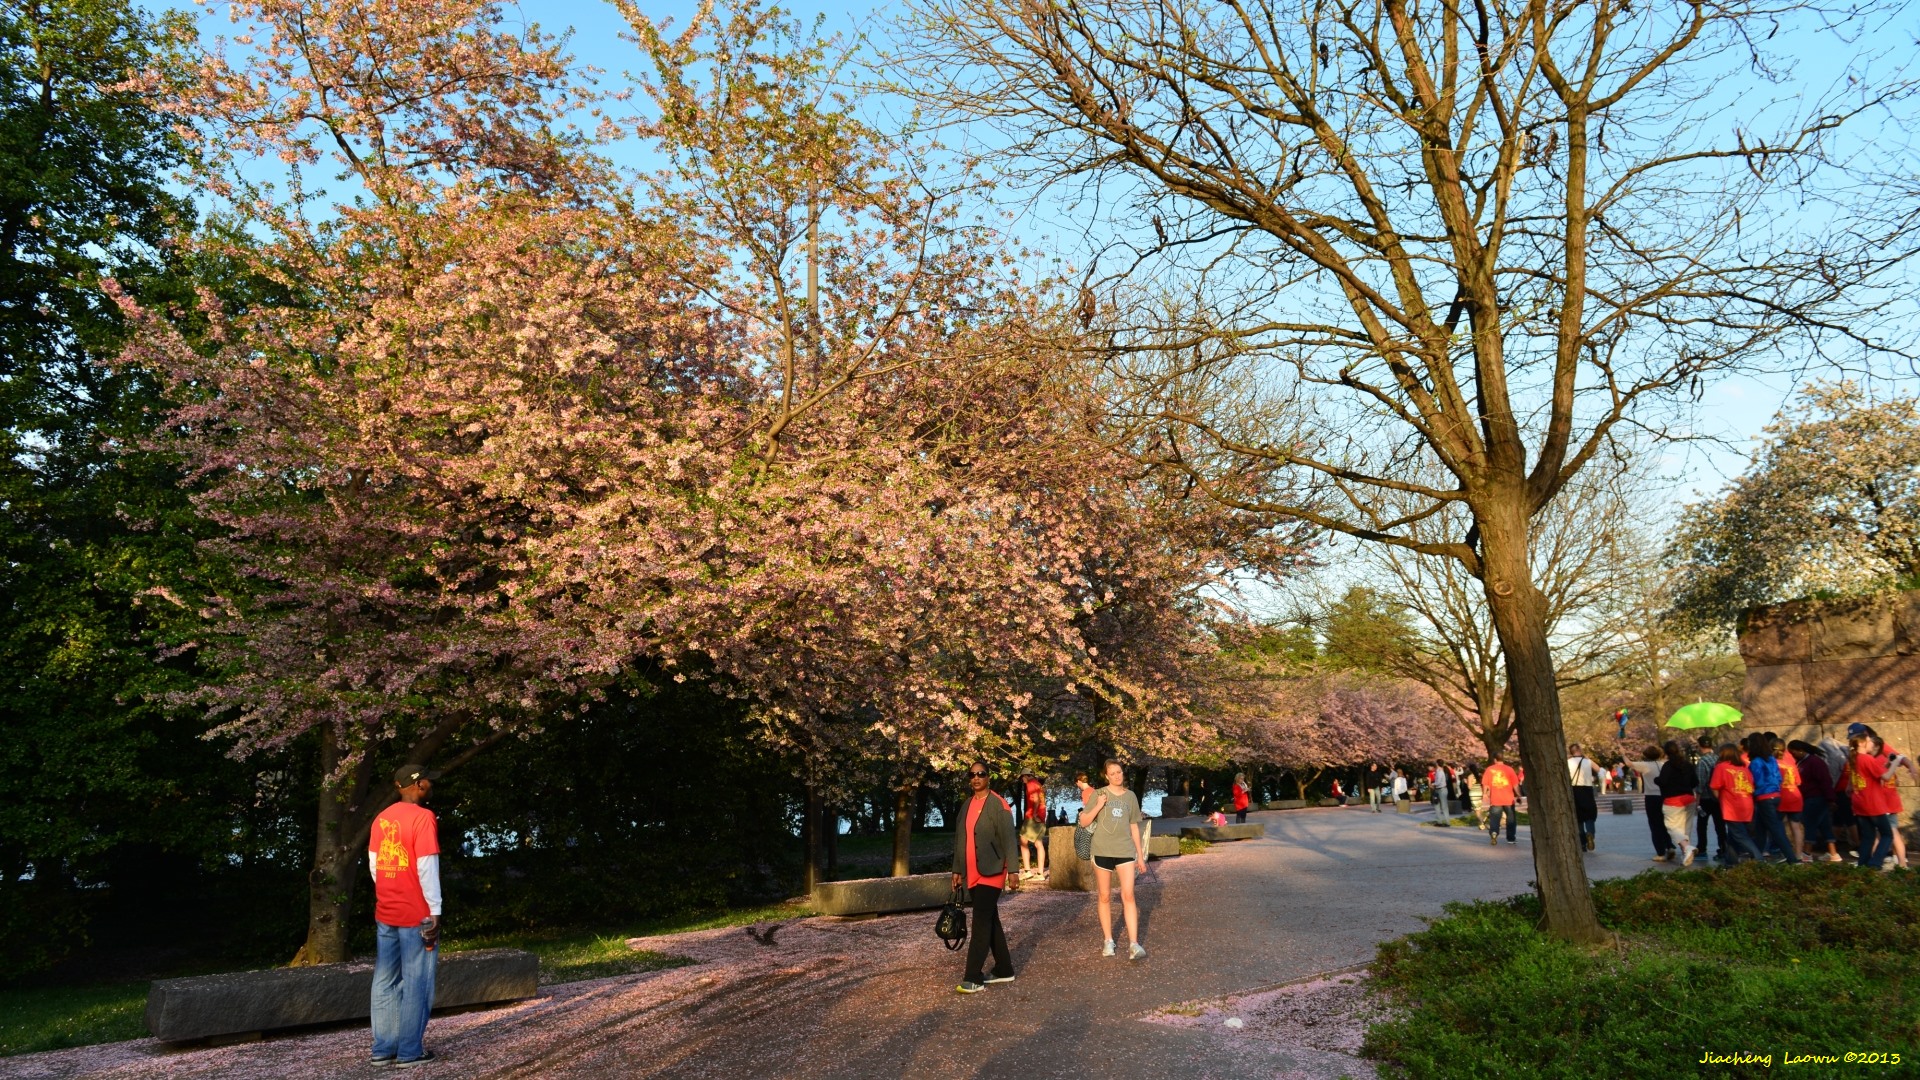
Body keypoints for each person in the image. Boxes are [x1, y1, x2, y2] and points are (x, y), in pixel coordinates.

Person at [369, 764, 443, 1068]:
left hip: (386, 910)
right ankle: (410, 1051)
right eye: (428, 780)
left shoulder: (382, 817)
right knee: (417, 981)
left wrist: (391, 892)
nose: (430, 784)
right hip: (417, 914)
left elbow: (375, 866)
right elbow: (426, 866)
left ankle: (383, 1049)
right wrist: (435, 910)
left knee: (385, 979)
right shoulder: (424, 818)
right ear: (418, 785)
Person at [952, 761, 1019, 992]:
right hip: (971, 873)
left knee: (980, 921)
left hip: (992, 871)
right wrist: (957, 870)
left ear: (988, 777)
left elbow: (1009, 838)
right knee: (991, 920)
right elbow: (961, 839)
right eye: (972, 775)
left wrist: (1013, 871)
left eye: (981, 774)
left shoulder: (999, 805)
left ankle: (973, 977)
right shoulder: (966, 805)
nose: (976, 778)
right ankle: (1004, 969)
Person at [1079, 759, 1148, 960]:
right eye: (1113, 773)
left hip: (1125, 851)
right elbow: (1084, 821)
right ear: (1106, 776)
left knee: (1128, 895)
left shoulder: (1131, 797)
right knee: (1104, 896)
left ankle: (1134, 943)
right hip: (1101, 850)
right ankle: (1108, 940)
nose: (1117, 776)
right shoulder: (1099, 794)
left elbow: (1135, 826)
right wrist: (1098, 805)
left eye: (1119, 772)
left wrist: (1140, 856)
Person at [1845, 732, 1897, 871]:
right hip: (1872, 803)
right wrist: (1895, 763)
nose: (1871, 744)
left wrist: (1887, 765)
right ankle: (1875, 863)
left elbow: (1852, 784)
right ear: (1861, 743)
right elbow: (1885, 777)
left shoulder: (1854, 758)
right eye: (1869, 741)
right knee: (1887, 834)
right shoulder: (1867, 758)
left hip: (1859, 803)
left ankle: (1863, 865)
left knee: (1868, 836)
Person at [1746, 734, 1799, 864]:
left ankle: (1792, 859)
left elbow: (1756, 780)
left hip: (1764, 796)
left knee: (1776, 829)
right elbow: (1779, 777)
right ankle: (1756, 858)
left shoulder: (1756, 762)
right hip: (1776, 795)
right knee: (1761, 830)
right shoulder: (1771, 759)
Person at [1788, 739, 1840, 862]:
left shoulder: (1814, 762)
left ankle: (1807, 852)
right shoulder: (1803, 762)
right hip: (1811, 797)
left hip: (1815, 798)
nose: (1792, 755)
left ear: (1801, 750)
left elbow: (1825, 781)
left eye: (1793, 752)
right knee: (1824, 826)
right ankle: (1833, 853)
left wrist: (1830, 798)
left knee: (1810, 824)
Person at [1709, 743, 1761, 864]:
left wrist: (1719, 799)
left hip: (1731, 806)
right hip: (1747, 805)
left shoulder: (1721, 767)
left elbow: (1714, 786)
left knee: (1739, 835)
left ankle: (1759, 858)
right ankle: (1730, 862)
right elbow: (1751, 788)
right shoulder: (1744, 768)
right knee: (1733, 835)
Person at [1623, 746, 1670, 861]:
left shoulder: (1645, 765)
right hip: (1664, 796)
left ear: (1646, 755)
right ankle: (1670, 845)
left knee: (1655, 825)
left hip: (1651, 797)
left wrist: (1623, 753)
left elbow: (1629, 763)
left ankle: (1660, 853)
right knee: (1665, 823)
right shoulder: (1663, 764)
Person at [1655, 740, 1698, 866]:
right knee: (1686, 828)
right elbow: (1695, 782)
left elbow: (1662, 782)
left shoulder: (1668, 766)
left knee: (1672, 827)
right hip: (1689, 798)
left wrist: (1656, 779)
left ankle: (1687, 848)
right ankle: (1686, 854)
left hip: (1673, 800)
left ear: (1666, 752)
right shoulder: (1687, 765)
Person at [1692, 735, 1725, 865]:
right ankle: (1723, 848)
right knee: (1720, 825)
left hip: (1706, 798)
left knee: (1702, 825)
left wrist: (1697, 800)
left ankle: (1702, 849)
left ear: (1700, 746)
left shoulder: (1702, 762)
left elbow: (1700, 783)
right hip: (1718, 798)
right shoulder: (1718, 759)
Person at [1567, 744, 1602, 852]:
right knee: (1589, 815)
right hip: (1587, 790)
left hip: (1574, 790)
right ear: (1579, 750)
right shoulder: (1587, 761)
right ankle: (1590, 833)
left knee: (1578, 817)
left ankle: (1582, 843)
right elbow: (1598, 769)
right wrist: (1587, 757)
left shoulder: (1568, 762)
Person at [1481, 756, 1520, 845]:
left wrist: (1484, 794)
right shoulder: (1509, 769)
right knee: (1511, 819)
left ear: (1495, 759)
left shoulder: (1489, 769)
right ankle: (1511, 838)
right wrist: (1518, 795)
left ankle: (1494, 833)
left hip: (1495, 799)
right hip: (1508, 799)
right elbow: (1515, 784)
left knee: (1494, 819)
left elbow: (1485, 784)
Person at [1018, 773, 1048, 880]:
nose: (1022, 780)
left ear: (1026, 776)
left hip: (1033, 817)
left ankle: (1027, 871)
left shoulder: (1030, 784)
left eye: (1022, 777)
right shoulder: (1038, 784)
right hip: (1042, 815)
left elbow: (1036, 799)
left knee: (1023, 841)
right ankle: (1040, 873)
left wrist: (1034, 813)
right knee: (1038, 843)